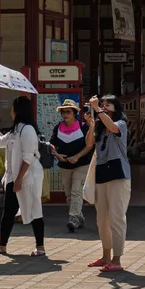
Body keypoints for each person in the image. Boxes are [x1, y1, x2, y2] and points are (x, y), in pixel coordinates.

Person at [0, 95, 46, 256]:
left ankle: (40, 247)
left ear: (18, 110)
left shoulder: (28, 130)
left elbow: (28, 156)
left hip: (28, 176)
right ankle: (2, 246)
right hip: (13, 176)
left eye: (13, 108)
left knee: (34, 209)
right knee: (9, 211)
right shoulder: (15, 130)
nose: (11, 112)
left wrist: (20, 179)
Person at [89, 94, 131, 272]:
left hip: (118, 174)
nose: (104, 107)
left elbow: (112, 127)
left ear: (117, 108)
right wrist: (92, 125)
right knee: (102, 219)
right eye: (102, 104)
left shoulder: (120, 124)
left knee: (116, 218)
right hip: (102, 173)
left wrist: (98, 109)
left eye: (108, 105)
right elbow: (89, 143)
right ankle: (106, 255)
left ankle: (117, 259)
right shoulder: (100, 127)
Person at [49, 99, 93, 233]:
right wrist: (57, 154)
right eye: (63, 112)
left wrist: (77, 156)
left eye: (68, 111)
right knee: (69, 195)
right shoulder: (57, 127)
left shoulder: (83, 126)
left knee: (76, 192)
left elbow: (89, 145)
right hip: (64, 165)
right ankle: (79, 217)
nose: (65, 114)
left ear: (74, 113)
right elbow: (52, 145)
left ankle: (73, 218)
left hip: (82, 164)